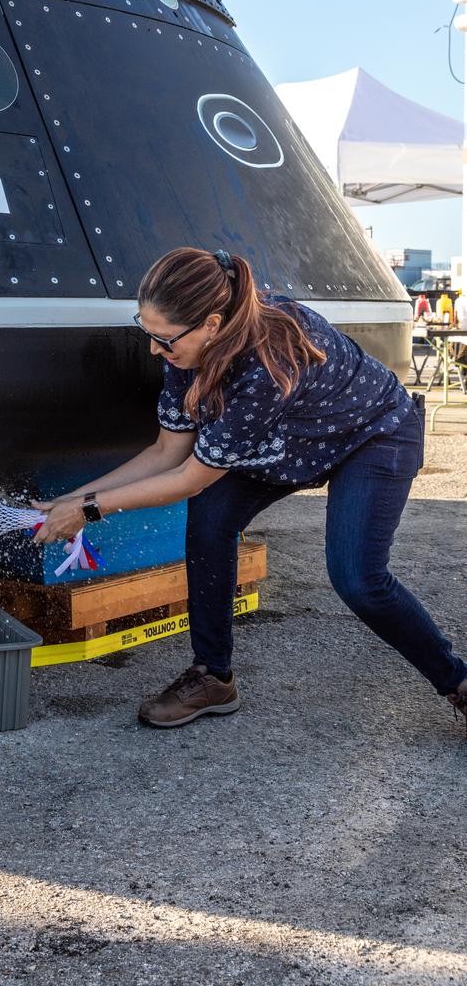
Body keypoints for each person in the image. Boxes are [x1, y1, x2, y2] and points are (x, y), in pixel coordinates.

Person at [33, 247, 467, 737]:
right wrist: (72, 499)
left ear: (213, 324)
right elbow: (165, 453)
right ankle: (213, 677)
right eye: (146, 331)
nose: (155, 349)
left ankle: (458, 683)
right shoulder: (185, 347)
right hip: (285, 443)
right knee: (210, 523)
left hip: (370, 435)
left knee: (358, 579)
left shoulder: (267, 358)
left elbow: (189, 477)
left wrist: (88, 511)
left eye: (164, 339)